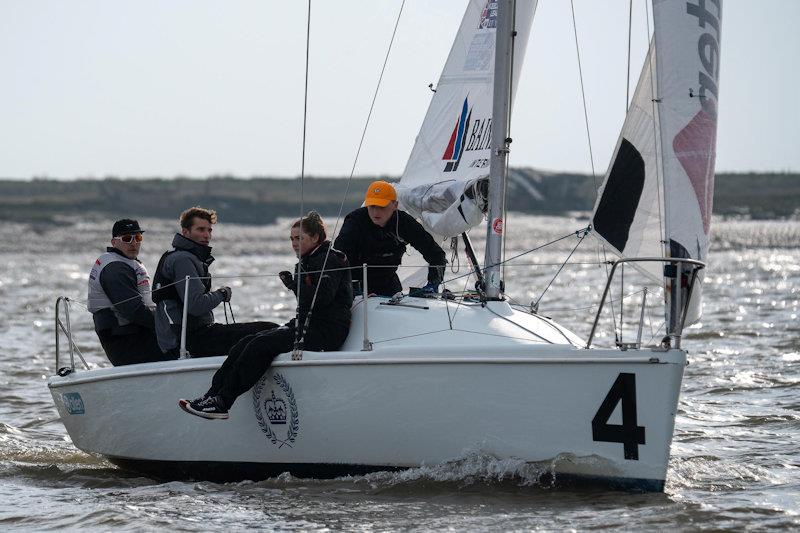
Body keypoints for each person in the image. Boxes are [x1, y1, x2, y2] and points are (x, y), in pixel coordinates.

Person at [179, 211, 352, 419]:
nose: (294, 244)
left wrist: (293, 285)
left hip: (326, 331)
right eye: (292, 239)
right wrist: (296, 284)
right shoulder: (305, 263)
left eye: (299, 238)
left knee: (259, 346)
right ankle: (211, 396)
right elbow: (309, 301)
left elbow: (322, 298)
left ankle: (223, 402)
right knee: (245, 342)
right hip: (306, 324)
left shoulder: (329, 259)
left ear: (315, 238)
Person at [153, 206, 276, 357]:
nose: (206, 235)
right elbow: (196, 305)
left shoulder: (184, 256)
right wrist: (222, 294)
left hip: (190, 335)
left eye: (209, 230)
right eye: (200, 230)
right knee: (269, 330)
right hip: (187, 340)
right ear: (185, 232)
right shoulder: (183, 259)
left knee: (264, 332)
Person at [334, 180, 446, 297]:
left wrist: (433, 284)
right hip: (356, 287)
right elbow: (338, 258)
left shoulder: (403, 223)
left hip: (388, 285)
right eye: (372, 206)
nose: (376, 212)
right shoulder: (355, 221)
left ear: (395, 205)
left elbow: (436, 254)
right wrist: (351, 290)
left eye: (381, 206)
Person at [87, 219, 172, 366]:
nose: (133, 243)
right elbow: (133, 311)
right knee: (184, 348)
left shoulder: (126, 262)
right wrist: (169, 323)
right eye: (127, 238)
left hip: (136, 333)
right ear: (114, 242)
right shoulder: (115, 269)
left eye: (138, 238)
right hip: (124, 339)